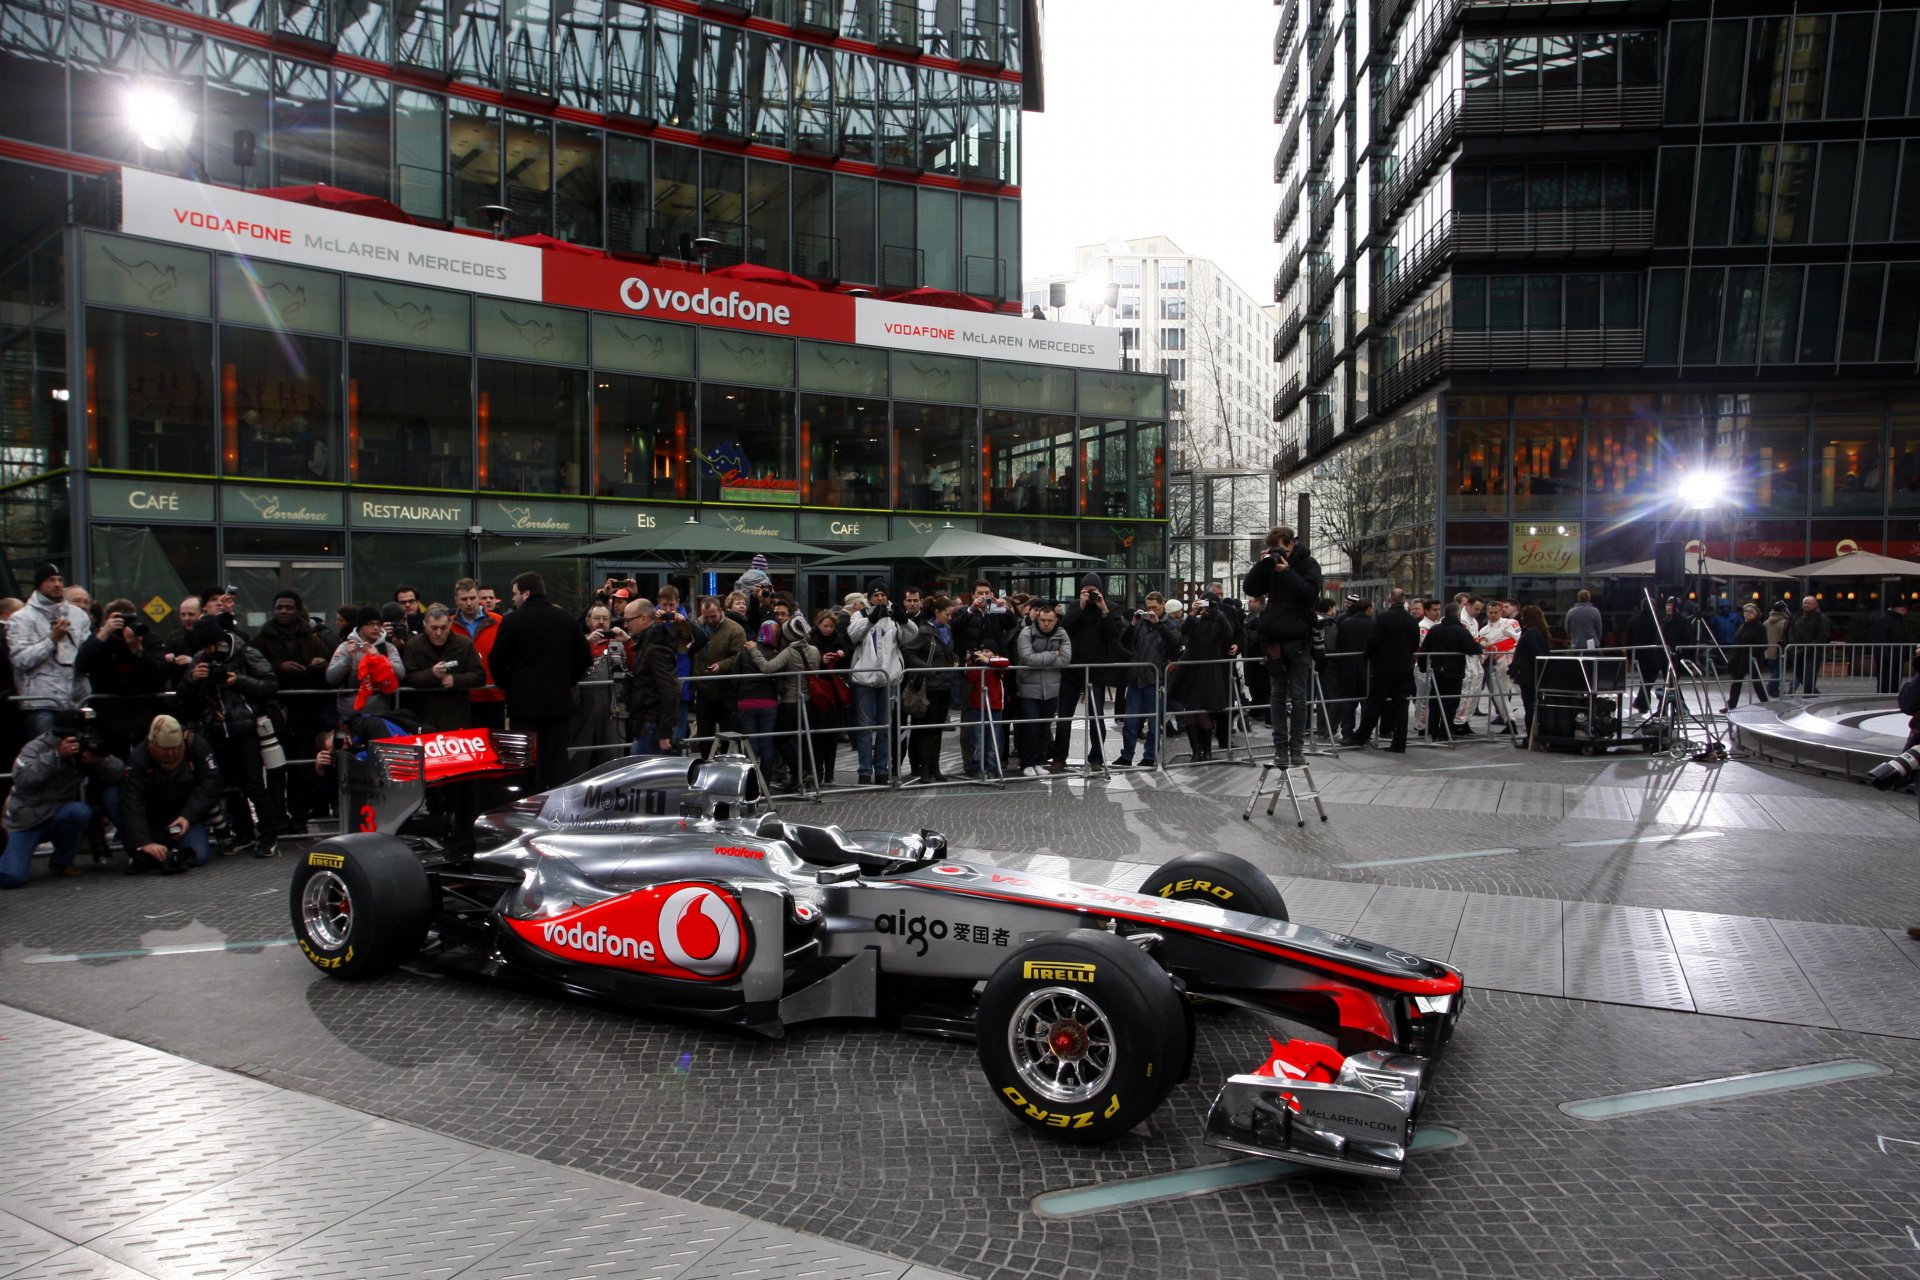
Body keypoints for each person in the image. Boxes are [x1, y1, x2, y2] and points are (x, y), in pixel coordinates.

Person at [180, 614, 286, 856]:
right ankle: (244, 832)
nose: (209, 650)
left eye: (212, 644)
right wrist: (192, 679)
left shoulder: (244, 652)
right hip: (217, 730)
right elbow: (183, 697)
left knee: (255, 785)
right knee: (230, 787)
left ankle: (268, 836)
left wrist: (238, 681)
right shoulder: (199, 660)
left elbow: (270, 684)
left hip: (245, 728)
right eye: (204, 646)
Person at [487, 572, 592, 791]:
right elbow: (585, 658)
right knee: (557, 759)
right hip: (559, 703)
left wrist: (509, 686)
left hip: (524, 705)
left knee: (524, 761)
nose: (513, 599)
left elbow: (495, 660)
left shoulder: (512, 621)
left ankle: (526, 806)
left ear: (526, 593)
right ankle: (560, 809)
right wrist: (567, 682)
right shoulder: (566, 619)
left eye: (515, 594)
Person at [0, 709, 123, 888]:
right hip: (24, 820)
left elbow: (118, 773)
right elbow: (22, 778)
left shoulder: (84, 748)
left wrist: (99, 761)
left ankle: (62, 862)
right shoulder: (36, 747)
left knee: (79, 812)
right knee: (13, 878)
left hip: (55, 815)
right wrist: (56, 755)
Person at [1241, 526, 1323, 767]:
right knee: (1277, 693)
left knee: (1297, 695)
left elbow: (1309, 595)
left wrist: (1287, 571)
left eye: (1280, 547)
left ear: (1291, 544)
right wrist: (1263, 564)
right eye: (1273, 547)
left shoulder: (1309, 564)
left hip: (1298, 638)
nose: (1278, 552)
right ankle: (1280, 747)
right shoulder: (1270, 565)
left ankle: (1296, 747)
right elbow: (1251, 589)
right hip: (1274, 637)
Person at [118, 714, 221, 873]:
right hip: (151, 816)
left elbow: (211, 782)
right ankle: (146, 850)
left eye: (175, 748)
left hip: (184, 814)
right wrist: (144, 842)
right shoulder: (138, 757)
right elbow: (132, 800)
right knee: (112, 797)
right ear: (152, 744)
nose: (171, 754)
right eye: (165, 749)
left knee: (198, 856)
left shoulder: (195, 745)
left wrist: (188, 816)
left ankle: (162, 857)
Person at [73, 598, 167, 760]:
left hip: (143, 717)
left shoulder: (147, 638)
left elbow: (159, 675)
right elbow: (82, 664)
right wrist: (104, 634)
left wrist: (137, 650)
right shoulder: (102, 640)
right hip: (108, 719)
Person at [845, 581, 917, 785]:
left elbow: (910, 636)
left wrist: (904, 620)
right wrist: (870, 619)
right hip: (864, 679)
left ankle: (882, 770)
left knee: (886, 728)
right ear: (869, 597)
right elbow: (853, 635)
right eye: (876, 595)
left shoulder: (894, 617)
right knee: (865, 728)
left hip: (889, 678)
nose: (880, 598)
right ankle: (865, 772)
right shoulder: (859, 615)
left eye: (883, 595)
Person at [11, 561, 92, 738]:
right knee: (46, 754)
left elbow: (87, 655)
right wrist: (52, 640)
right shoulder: (22, 618)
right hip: (42, 702)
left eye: (60, 580)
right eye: (50, 580)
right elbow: (21, 660)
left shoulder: (78, 615)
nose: (57, 584)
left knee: (81, 753)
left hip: (77, 699)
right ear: (39, 584)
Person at [747, 613, 820, 788]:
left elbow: (767, 667)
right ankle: (804, 774)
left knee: (780, 739)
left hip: (791, 702)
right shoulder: (815, 650)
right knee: (802, 739)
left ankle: (799, 771)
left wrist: (753, 650)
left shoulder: (788, 652)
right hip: (809, 701)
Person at [1060, 574, 1123, 773]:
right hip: (1073, 669)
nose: (1091, 595)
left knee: (1096, 716)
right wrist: (1080, 605)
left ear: (1101, 591)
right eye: (1086, 591)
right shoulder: (1074, 606)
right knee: (1064, 716)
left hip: (1096, 669)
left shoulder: (1110, 607)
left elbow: (1113, 635)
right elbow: (1065, 628)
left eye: (1094, 591)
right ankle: (1059, 758)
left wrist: (1104, 610)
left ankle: (1096, 757)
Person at [1344, 588, 1420, 752]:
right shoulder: (1411, 620)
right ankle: (1399, 743)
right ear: (1404, 599)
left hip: (1384, 668)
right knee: (1401, 706)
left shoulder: (1384, 617)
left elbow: (1374, 640)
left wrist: (1367, 654)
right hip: (1404, 668)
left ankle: (1360, 737)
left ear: (1389, 599)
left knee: (1374, 703)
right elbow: (1415, 644)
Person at [1115, 599, 1180, 768]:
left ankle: (1149, 756)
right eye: (1148, 607)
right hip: (1137, 677)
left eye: (1154, 607)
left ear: (1162, 605)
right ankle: (1126, 756)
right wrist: (1132, 624)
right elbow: (1123, 642)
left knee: (1153, 721)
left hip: (1155, 679)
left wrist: (1158, 625)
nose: (1150, 610)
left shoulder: (1171, 624)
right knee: (1130, 720)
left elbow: (1174, 644)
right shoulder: (1141, 624)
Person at [401, 605, 484, 731]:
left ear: (450, 625)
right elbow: (407, 677)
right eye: (434, 628)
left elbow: (479, 675)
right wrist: (431, 674)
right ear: (425, 626)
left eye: (443, 628)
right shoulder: (413, 645)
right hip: (423, 714)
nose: (438, 633)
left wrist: (455, 680)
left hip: (455, 714)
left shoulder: (465, 644)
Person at [904, 594, 959, 785]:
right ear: (937, 612)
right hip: (930, 686)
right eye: (947, 614)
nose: (950, 618)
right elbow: (909, 652)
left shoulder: (948, 629)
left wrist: (956, 660)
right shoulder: (925, 631)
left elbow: (949, 651)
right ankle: (924, 768)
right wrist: (927, 669)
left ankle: (935, 767)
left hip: (945, 685)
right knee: (927, 729)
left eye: (951, 614)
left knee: (937, 729)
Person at [1173, 596, 1234, 761]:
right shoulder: (1197, 620)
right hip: (1190, 670)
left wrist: (1217, 612)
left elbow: (1229, 634)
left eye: (1208, 604)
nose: (1205, 607)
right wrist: (1193, 612)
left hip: (1208, 672)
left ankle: (1207, 750)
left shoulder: (1219, 620)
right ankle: (1196, 751)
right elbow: (1184, 631)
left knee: (1202, 712)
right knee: (1190, 712)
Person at [1014, 600, 1071, 775]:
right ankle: (1026, 763)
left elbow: (1066, 660)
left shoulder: (1062, 634)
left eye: (1050, 620)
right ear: (1037, 619)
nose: (1046, 624)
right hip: (1028, 689)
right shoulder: (1026, 633)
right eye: (1043, 620)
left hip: (1051, 688)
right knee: (1031, 726)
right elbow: (1027, 658)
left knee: (1044, 727)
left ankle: (1039, 760)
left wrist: (1040, 658)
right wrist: (1051, 655)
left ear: (1056, 620)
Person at [688, 595, 747, 755]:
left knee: (728, 732)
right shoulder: (696, 626)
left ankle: (726, 766)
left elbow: (740, 657)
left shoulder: (735, 629)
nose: (710, 620)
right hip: (703, 689)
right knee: (705, 735)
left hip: (726, 689)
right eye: (706, 617)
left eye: (713, 616)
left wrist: (721, 666)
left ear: (720, 611)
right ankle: (706, 764)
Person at [622, 599, 680, 757]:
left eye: (628, 620)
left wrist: (665, 731)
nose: (626, 625)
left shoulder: (655, 646)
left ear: (643, 618)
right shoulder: (649, 642)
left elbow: (669, 688)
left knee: (643, 771)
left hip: (653, 722)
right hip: (648, 720)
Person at [328, 607, 406, 718]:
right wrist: (348, 658)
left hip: (381, 714)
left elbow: (401, 674)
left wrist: (379, 658)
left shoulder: (388, 648)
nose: (375, 628)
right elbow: (331, 677)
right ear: (360, 626)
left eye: (378, 624)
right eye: (370, 624)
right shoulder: (345, 647)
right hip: (348, 715)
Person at [1421, 604, 1480, 740]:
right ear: (1458, 615)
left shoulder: (1435, 629)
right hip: (1455, 672)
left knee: (1435, 702)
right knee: (1450, 704)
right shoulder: (1461, 631)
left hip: (1438, 671)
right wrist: (1478, 645)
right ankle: (1445, 733)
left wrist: (1424, 667)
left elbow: (1425, 650)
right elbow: (1472, 648)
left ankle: (1432, 731)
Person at [1329, 596, 1373, 741]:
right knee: (1366, 702)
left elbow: (1339, 644)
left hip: (1348, 667)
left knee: (1349, 702)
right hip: (1367, 668)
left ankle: (1347, 732)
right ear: (1368, 609)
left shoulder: (1346, 623)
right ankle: (1364, 734)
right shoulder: (1373, 624)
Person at [1511, 605, 1551, 748]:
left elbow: (1535, 653)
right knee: (1533, 706)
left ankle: (1531, 737)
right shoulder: (1540, 632)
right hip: (1535, 674)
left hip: (1529, 675)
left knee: (1530, 707)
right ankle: (1534, 735)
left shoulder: (1530, 633)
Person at [1724, 603, 1771, 712]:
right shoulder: (1743, 625)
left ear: (1755, 614)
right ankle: (1731, 704)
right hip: (1740, 658)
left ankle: (1766, 702)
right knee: (1736, 682)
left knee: (1756, 682)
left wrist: (1752, 652)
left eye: (1750, 612)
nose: (1747, 614)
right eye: (1746, 612)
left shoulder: (1759, 626)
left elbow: (1763, 644)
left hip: (1753, 658)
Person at [1787, 595, 1832, 696]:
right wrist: (1792, 644)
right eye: (1805, 603)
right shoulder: (1797, 616)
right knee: (1798, 673)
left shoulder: (1821, 618)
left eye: (1809, 603)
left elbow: (1822, 635)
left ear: (1815, 605)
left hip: (1813, 652)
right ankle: (1813, 692)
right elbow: (1791, 631)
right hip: (1797, 650)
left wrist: (1809, 647)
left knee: (1809, 675)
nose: (1806, 605)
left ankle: (1808, 695)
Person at [1872, 602, 1910, 695]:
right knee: (1885, 683)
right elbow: (1880, 639)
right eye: (1904, 608)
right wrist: (1885, 655)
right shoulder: (1886, 620)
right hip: (1888, 658)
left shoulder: (1899, 620)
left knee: (1895, 683)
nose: (1906, 610)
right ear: (1897, 608)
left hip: (1897, 657)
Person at [1763, 600, 1791, 696]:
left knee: (1775, 669)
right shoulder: (1784, 622)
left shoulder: (1766, 622)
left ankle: (1774, 688)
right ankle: (1771, 688)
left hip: (1769, 650)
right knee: (1778, 671)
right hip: (1780, 649)